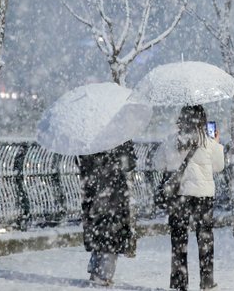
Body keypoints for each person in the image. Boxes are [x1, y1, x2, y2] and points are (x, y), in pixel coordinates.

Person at [154, 105, 225, 291]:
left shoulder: (171, 140)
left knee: (178, 240)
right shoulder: (208, 142)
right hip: (203, 197)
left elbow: (158, 163)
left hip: (179, 196)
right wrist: (216, 141)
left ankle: (179, 283)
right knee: (205, 240)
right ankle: (207, 281)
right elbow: (219, 167)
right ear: (202, 120)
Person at [76, 140, 137, 286]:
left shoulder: (87, 140)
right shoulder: (118, 136)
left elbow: (80, 162)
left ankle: (96, 270)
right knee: (111, 233)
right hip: (113, 192)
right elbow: (129, 164)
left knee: (98, 230)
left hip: (92, 193)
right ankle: (103, 274)